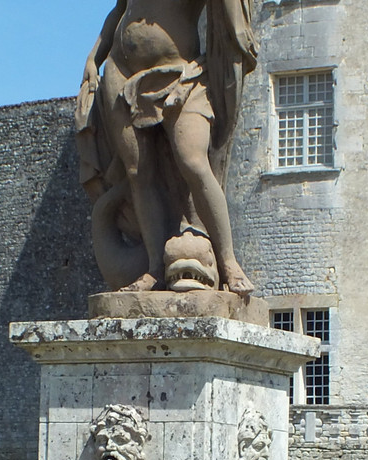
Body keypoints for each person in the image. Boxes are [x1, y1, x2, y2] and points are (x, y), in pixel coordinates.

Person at [76, 0, 257, 296]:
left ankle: (229, 263)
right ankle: (154, 269)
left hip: (182, 73)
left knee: (193, 161)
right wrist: (94, 56)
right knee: (138, 172)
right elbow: (121, 9)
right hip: (121, 71)